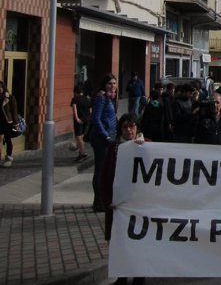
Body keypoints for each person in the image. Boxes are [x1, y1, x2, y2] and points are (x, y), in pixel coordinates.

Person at [100, 113, 146, 285]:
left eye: (132, 126)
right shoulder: (114, 149)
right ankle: (122, 276)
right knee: (119, 243)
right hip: (117, 206)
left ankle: (139, 277)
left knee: (138, 242)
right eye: (125, 127)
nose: (129, 130)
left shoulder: (144, 145)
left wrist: (143, 143)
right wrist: (107, 201)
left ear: (137, 129)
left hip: (137, 204)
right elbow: (104, 177)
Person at [90, 73, 118, 212]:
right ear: (104, 85)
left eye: (114, 83)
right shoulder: (101, 98)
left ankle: (101, 200)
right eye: (109, 83)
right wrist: (106, 135)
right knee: (100, 170)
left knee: (106, 169)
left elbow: (112, 117)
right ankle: (98, 202)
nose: (112, 86)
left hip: (110, 137)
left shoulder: (109, 98)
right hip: (101, 139)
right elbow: (96, 119)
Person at [0, 81, 20, 168]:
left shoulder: (11, 98)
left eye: (0, 87)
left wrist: (16, 124)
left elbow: (14, 112)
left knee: (8, 140)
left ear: (3, 88)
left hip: (8, 123)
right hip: (0, 123)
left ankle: (8, 159)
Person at [70, 84, 91, 162]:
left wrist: (77, 118)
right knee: (81, 136)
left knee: (78, 136)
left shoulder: (75, 99)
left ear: (75, 92)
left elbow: (74, 108)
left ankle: (82, 153)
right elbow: (90, 110)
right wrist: (89, 119)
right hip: (86, 120)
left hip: (79, 121)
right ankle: (80, 152)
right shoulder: (87, 99)